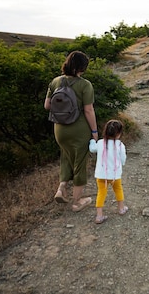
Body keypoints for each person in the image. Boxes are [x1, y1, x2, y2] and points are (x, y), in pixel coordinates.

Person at [44, 51, 98, 212]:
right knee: (80, 162)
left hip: (59, 128)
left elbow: (47, 106)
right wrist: (94, 131)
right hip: (78, 128)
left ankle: (61, 189)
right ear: (83, 67)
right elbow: (89, 110)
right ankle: (76, 202)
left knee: (66, 157)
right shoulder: (85, 85)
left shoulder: (55, 81)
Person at [89, 119, 128, 224]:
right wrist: (121, 164)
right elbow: (123, 158)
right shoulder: (120, 145)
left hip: (101, 175)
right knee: (118, 190)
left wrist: (92, 141)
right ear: (119, 133)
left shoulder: (100, 143)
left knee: (101, 193)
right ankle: (121, 209)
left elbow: (92, 149)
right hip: (115, 175)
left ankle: (99, 215)